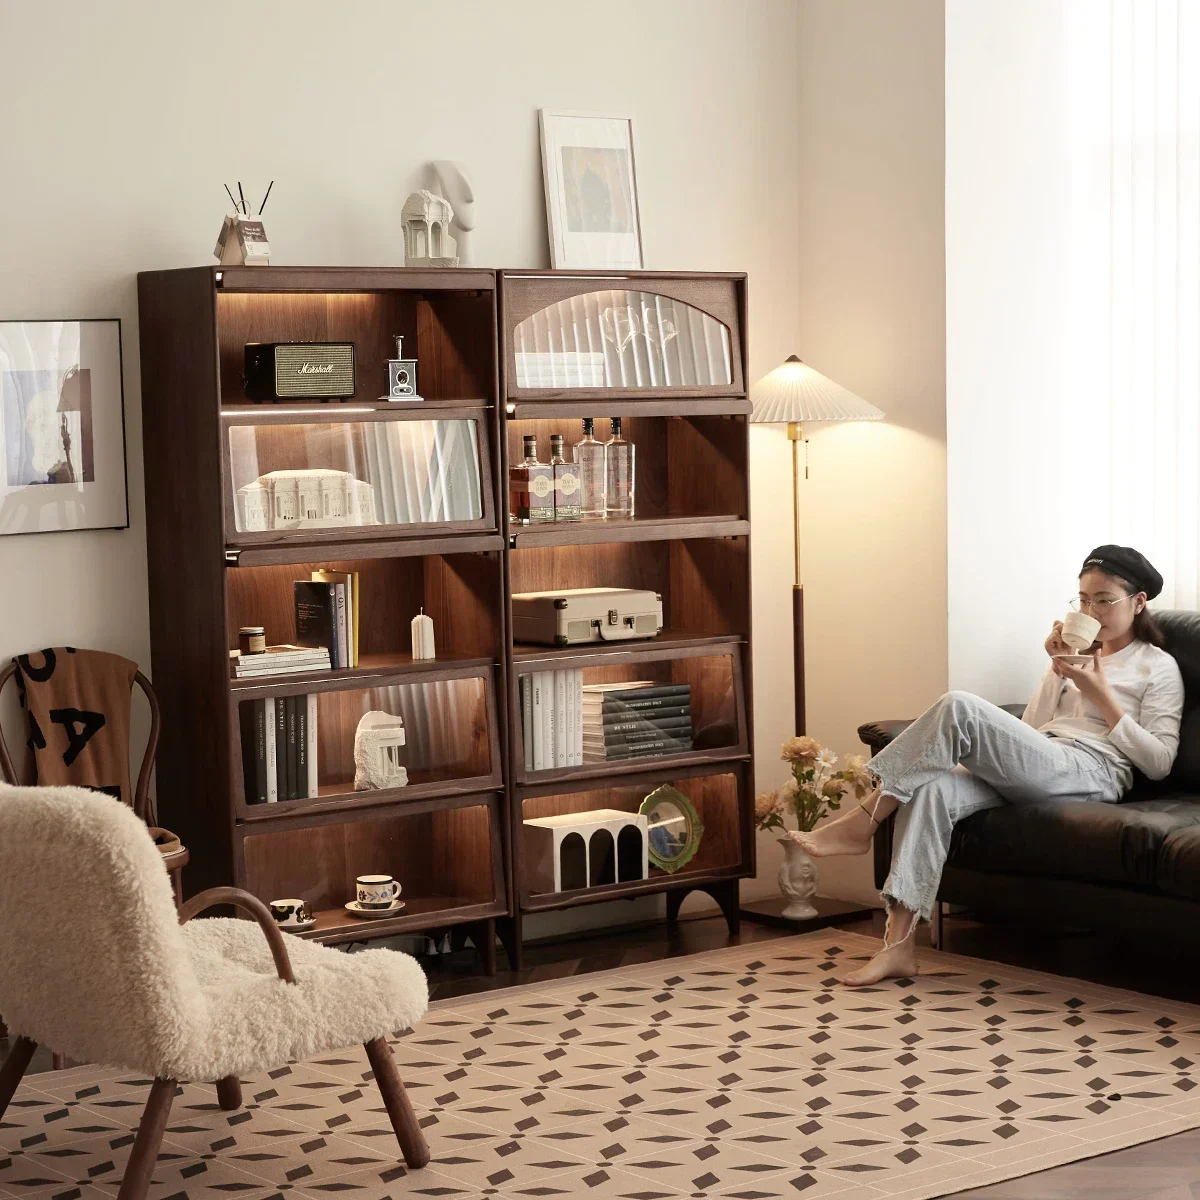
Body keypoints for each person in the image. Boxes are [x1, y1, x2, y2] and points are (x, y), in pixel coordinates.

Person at [792, 545, 1185, 988]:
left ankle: (864, 820)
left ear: (1139, 601)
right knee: (932, 789)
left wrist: (1101, 695)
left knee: (959, 706)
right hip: (1046, 758)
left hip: (1094, 772)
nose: (1091, 610)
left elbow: (1159, 763)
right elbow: (1034, 729)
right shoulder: (1076, 657)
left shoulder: (1158, 667)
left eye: (1104, 599)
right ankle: (897, 947)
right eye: (1083, 599)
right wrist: (1055, 669)